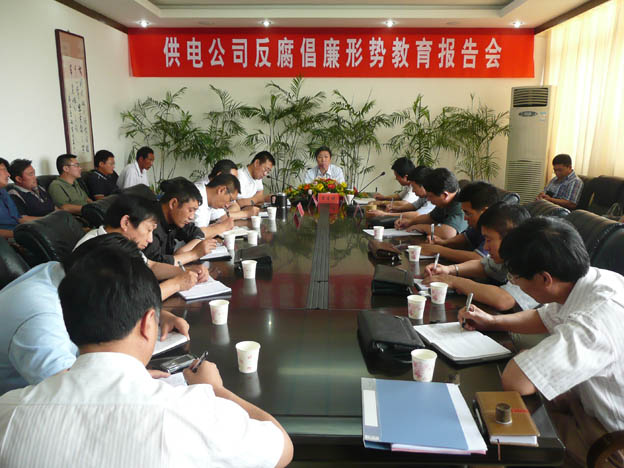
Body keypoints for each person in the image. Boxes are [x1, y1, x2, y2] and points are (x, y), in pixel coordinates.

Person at [0, 246, 293, 467]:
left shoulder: (8, 410)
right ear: (148, 323)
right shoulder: (190, 414)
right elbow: (281, 448)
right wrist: (214, 389)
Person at [459, 216, 624, 468]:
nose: (515, 283)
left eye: (515, 278)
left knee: (494, 433)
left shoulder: (593, 321)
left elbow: (516, 381)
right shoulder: (594, 281)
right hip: (585, 400)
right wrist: (492, 321)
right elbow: (544, 317)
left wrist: (526, 361)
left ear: (545, 278)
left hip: (609, 440)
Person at [0, 233, 189, 396]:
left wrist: (157, 314)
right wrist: (124, 377)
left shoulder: (61, 272)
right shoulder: (40, 317)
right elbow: (72, 389)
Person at [75, 194, 210, 300]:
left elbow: (150, 266)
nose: (150, 239)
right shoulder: (97, 249)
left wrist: (184, 271)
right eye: (148, 230)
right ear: (125, 222)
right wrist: (176, 284)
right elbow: (130, 302)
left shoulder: (122, 242)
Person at [424, 202, 537, 311]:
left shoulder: (532, 261)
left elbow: (504, 299)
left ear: (510, 239)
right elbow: (483, 265)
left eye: (489, 240)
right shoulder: (508, 256)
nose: (486, 247)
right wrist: (449, 269)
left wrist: (453, 281)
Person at [143, 177, 218, 265]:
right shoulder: (149, 223)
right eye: (190, 210)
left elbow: (196, 232)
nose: (192, 217)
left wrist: (182, 251)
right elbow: (155, 264)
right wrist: (193, 254)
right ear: (173, 203)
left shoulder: (175, 218)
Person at [419, 181, 500, 263]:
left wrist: (438, 250)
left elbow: (478, 258)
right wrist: (443, 242)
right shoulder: (480, 225)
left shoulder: (499, 228)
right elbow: (465, 238)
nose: (465, 218)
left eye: (468, 213)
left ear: (485, 212)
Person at [395, 167, 468, 239]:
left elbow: (447, 233)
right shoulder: (444, 202)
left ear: (445, 195)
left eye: (430, 196)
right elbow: (430, 218)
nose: (428, 199)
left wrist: (421, 227)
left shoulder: (462, 203)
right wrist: (410, 222)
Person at [367, 166, 435, 217]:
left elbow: (417, 215)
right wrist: (395, 208)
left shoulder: (434, 198)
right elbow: (414, 206)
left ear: (423, 185)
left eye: (414, 187)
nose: (413, 190)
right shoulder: (424, 196)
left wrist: (385, 214)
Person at [0, 157, 27, 239]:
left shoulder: (3, 191)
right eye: (4, 170)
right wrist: (20, 235)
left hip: (18, 231)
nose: (8, 175)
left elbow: (17, 217)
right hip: (7, 238)